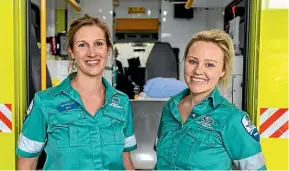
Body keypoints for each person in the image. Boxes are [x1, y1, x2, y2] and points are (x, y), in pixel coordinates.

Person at [16, 14, 137, 170]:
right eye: (82, 45)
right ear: (71, 52)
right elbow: (27, 162)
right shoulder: (45, 102)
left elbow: (125, 159)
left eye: (98, 43)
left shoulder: (121, 102)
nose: (92, 53)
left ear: (108, 49)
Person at [154, 30, 266, 170]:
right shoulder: (170, 108)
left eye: (210, 65)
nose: (198, 71)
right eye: (192, 61)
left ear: (223, 71)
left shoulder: (232, 119)